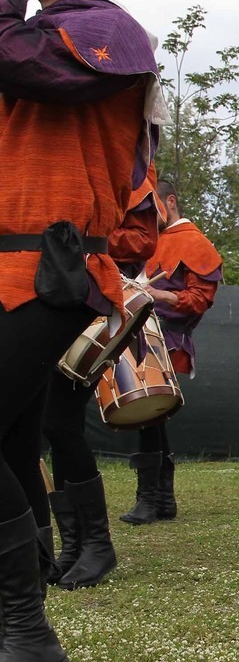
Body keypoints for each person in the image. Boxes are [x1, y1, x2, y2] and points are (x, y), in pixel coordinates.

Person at [0, 0, 161, 662]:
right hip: (9, 266)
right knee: (14, 439)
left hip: (47, 268)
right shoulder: (33, 30)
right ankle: (23, 605)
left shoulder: (107, 27)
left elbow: (19, 62)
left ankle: (28, 630)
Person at [42, 167, 160, 589]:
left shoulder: (128, 171)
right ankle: (74, 545)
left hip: (87, 302)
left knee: (60, 421)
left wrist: (77, 237)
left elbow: (143, 240)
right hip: (41, 294)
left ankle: (95, 543)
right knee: (51, 426)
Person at [119, 179, 221, 525]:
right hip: (133, 333)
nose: (145, 216)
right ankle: (161, 499)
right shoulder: (144, 241)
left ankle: (151, 498)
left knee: (148, 415)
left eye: (152, 208)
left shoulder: (195, 243)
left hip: (166, 339)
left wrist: (159, 295)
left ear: (170, 202)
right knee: (150, 419)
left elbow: (199, 301)